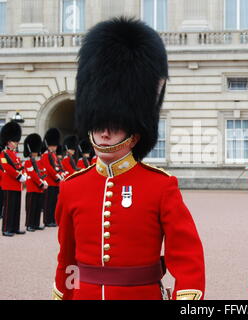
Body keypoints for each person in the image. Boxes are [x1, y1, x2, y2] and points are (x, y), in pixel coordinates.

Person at [52, 17, 205, 300]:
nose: (104, 131)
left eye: (115, 122)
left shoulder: (161, 186)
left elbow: (187, 258)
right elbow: (67, 260)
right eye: (99, 122)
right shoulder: (72, 187)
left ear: (135, 128)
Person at [0, 121, 26, 237]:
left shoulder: (14, 155)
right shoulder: (3, 154)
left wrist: (24, 174)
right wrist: (19, 176)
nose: (16, 143)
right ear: (8, 142)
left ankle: (14, 227)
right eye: (14, 141)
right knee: (9, 208)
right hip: (9, 184)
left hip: (17, 185)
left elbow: (20, 166)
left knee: (16, 208)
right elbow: (6, 167)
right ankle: (6, 228)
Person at [24, 133, 48, 231]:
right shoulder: (27, 162)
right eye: (34, 152)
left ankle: (36, 224)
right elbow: (33, 175)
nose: (35, 153)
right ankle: (29, 225)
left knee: (38, 207)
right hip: (32, 188)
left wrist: (44, 181)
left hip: (39, 189)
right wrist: (41, 183)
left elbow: (43, 172)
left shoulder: (38, 162)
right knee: (31, 207)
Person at [41, 128, 63, 227]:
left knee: (54, 203)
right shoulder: (46, 155)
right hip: (50, 182)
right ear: (50, 145)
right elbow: (48, 168)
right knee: (48, 203)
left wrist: (61, 173)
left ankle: (52, 219)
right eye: (54, 145)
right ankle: (47, 220)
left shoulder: (53, 155)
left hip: (55, 182)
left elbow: (57, 166)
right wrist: (56, 176)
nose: (55, 147)